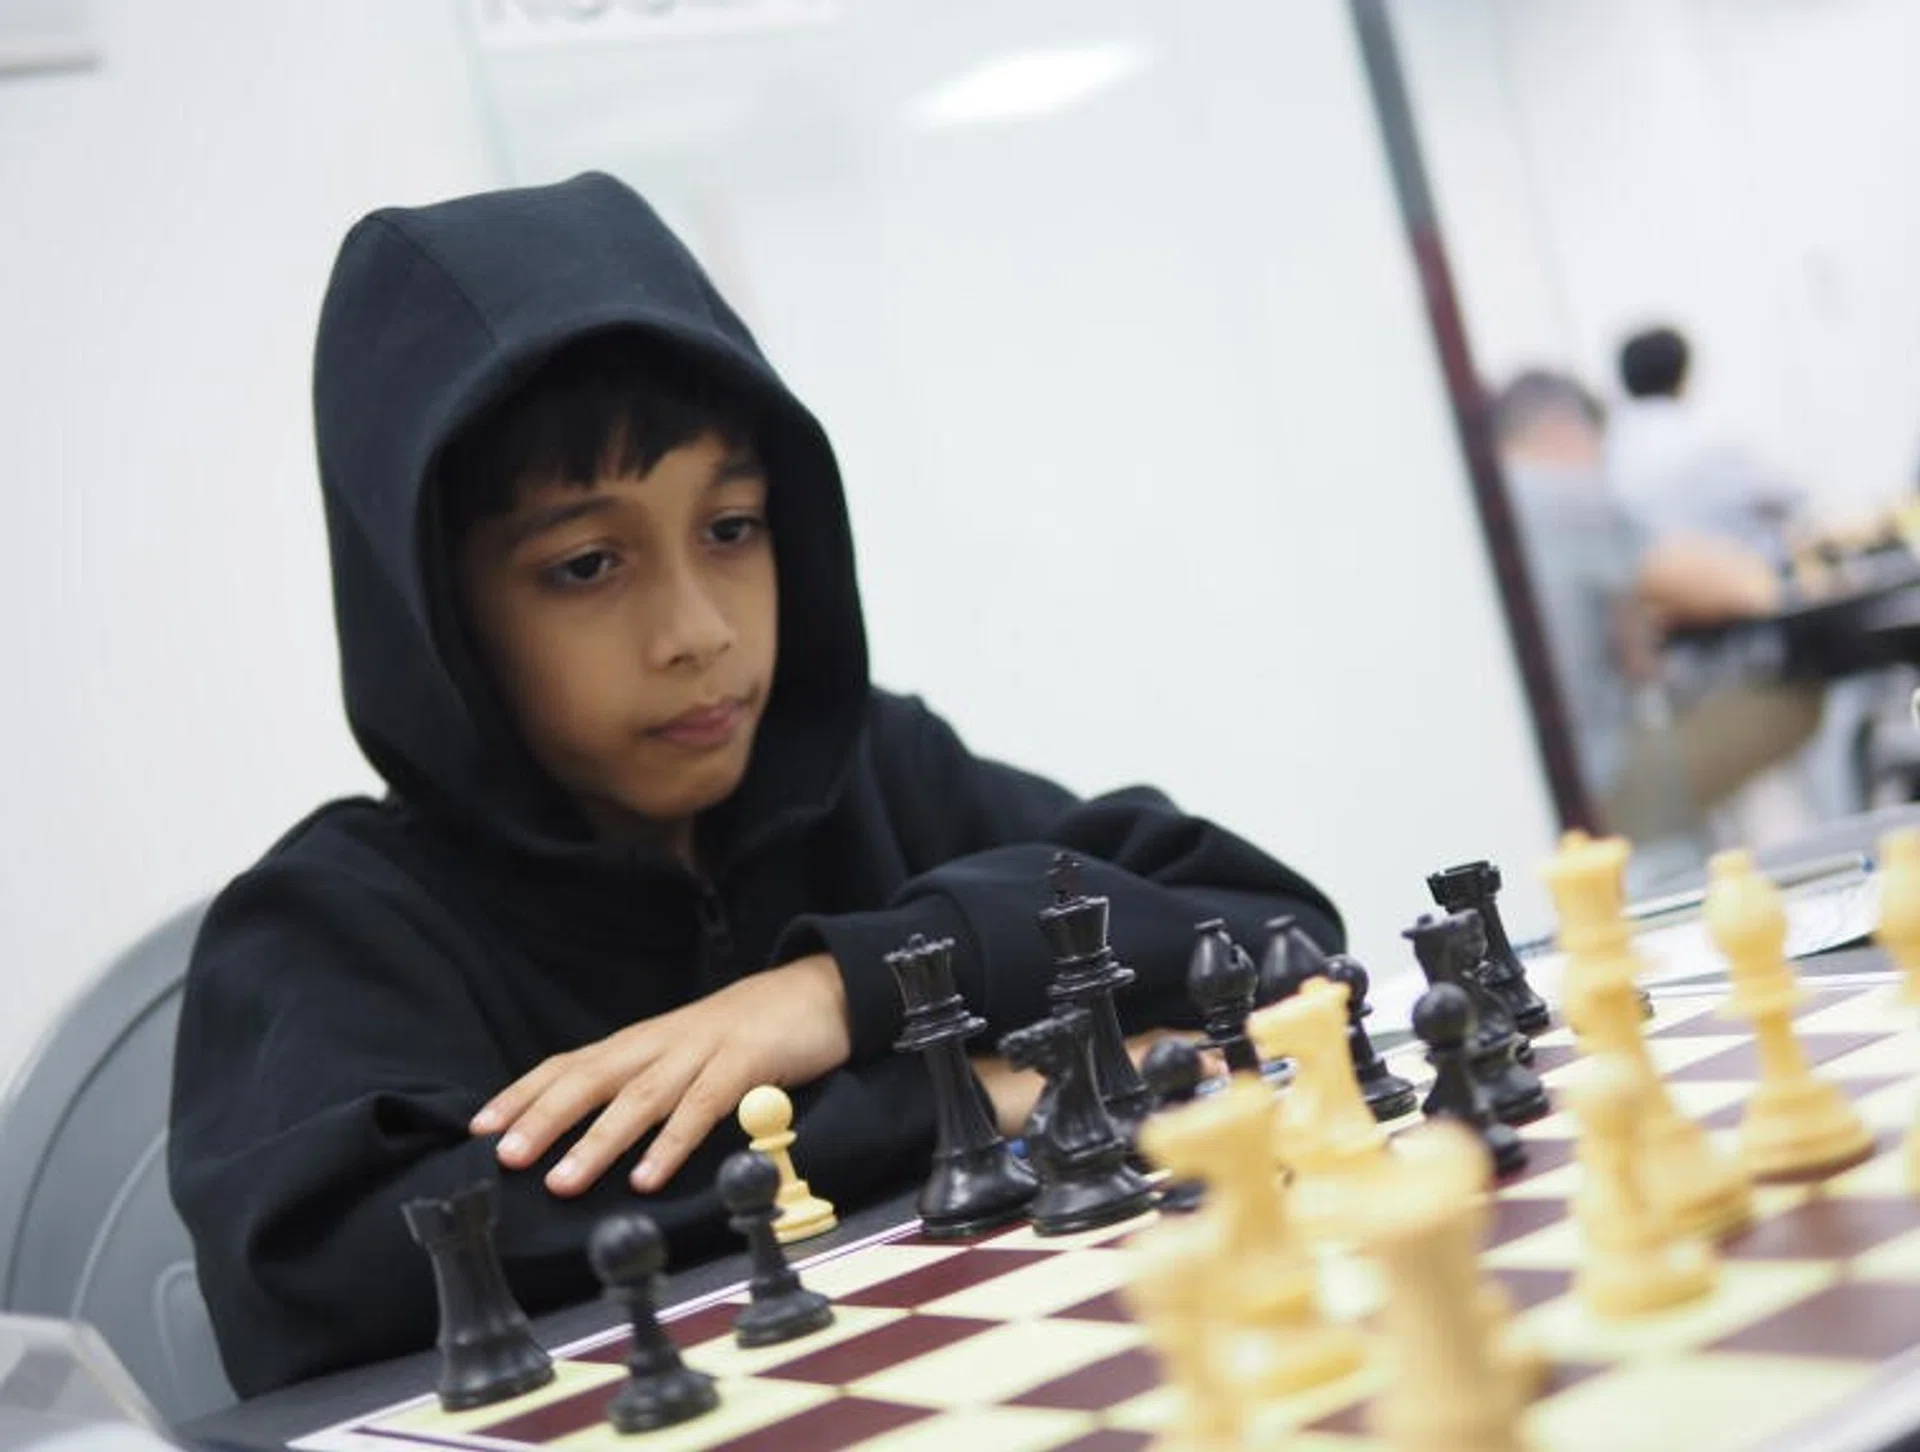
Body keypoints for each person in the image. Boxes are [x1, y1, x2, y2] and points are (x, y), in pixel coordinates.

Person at [166, 172, 1341, 1396]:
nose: (697, 631)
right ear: (439, 616)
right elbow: (348, 1265)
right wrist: (941, 1099)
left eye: (732, 529)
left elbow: (1261, 930)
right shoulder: (329, 924)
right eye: (585, 565)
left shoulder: (875, 771)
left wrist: (843, 988)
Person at [1491, 369, 1820, 861]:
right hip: (1598, 783)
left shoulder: (1482, 504)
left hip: (1517, 785)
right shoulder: (1564, 496)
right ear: (1562, 427)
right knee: (1799, 696)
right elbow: (1746, 587)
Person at [1606, 325, 1805, 563]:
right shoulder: (1708, 437)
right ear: (1683, 374)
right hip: (1745, 583)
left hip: (1660, 592)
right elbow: (1790, 495)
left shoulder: (1608, 452)